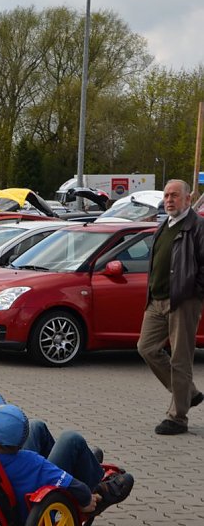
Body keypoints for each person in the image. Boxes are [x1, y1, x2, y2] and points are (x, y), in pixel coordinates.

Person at [0, 393, 134, 522]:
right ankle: (99, 488)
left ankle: (82, 460)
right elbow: (78, 489)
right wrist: (86, 500)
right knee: (71, 439)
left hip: (5, 488)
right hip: (29, 506)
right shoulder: (34, 462)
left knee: (37, 426)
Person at [137, 179, 204, 435]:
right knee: (146, 348)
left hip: (183, 301)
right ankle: (189, 393)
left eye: (174, 195)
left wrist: (193, 293)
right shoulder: (165, 225)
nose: (169, 200)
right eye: (166, 196)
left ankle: (178, 417)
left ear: (188, 199)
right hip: (157, 300)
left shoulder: (197, 227)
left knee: (180, 358)